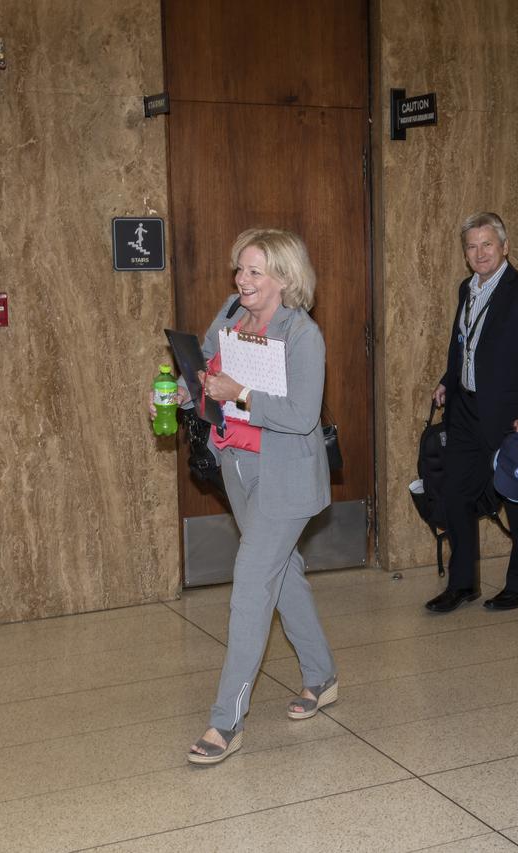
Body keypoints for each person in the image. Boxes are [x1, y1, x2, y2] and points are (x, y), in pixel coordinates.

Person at [174, 227, 338, 765]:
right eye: (239, 270)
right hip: (236, 466)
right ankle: (321, 675)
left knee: (250, 583)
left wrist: (240, 392)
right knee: (281, 572)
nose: (240, 280)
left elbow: (301, 415)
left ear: (284, 279)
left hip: (284, 476)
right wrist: (190, 386)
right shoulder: (230, 312)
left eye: (253, 272)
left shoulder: (302, 336)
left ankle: (227, 722)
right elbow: (205, 363)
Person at [425, 212, 518, 613]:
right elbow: (465, 343)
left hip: (511, 414)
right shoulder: (467, 288)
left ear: (505, 247)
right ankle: (462, 584)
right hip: (465, 410)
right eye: (472, 246)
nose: (479, 253)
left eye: (487, 244)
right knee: (455, 493)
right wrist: (448, 378)